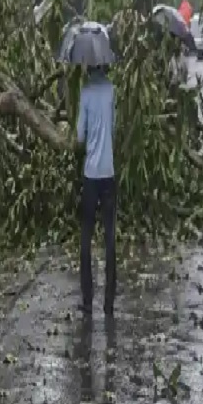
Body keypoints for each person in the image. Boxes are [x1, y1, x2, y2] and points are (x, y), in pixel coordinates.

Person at [76, 64, 117, 314]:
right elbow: (113, 128)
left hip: (91, 174)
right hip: (109, 172)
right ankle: (109, 301)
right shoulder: (112, 91)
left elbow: (80, 136)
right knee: (109, 236)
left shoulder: (86, 93)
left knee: (86, 236)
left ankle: (88, 298)